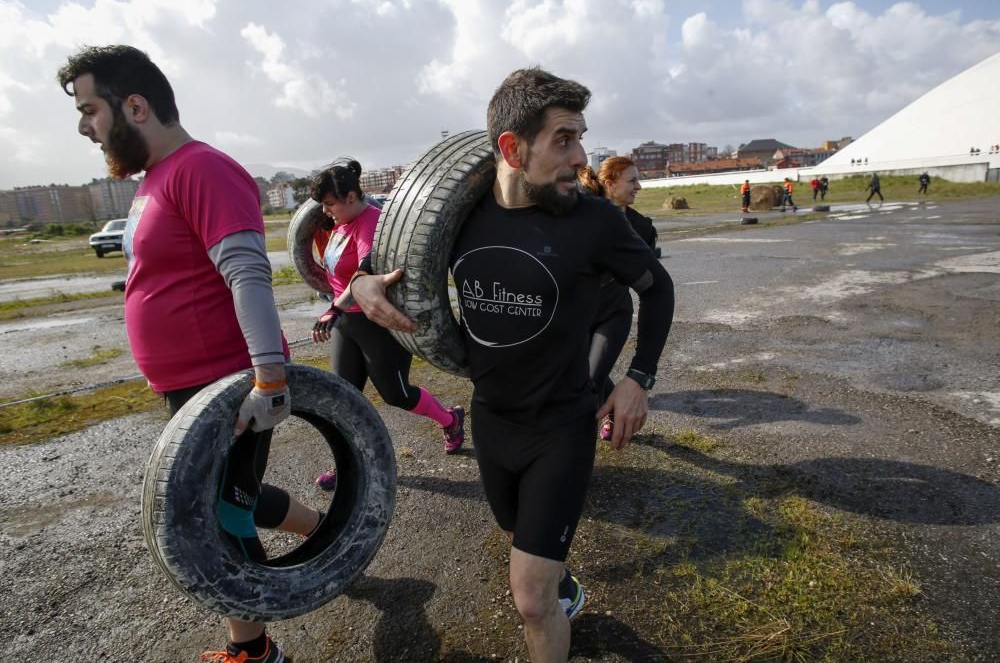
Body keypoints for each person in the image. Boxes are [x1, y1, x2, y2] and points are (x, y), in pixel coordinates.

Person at [348, 67, 674, 663]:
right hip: (493, 422)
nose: (580, 158)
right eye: (563, 140)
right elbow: (377, 267)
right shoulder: (458, 218)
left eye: (581, 138)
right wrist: (363, 286)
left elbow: (658, 290)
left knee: (528, 599)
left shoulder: (597, 222)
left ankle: (548, 598)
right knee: (519, 539)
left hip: (562, 425)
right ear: (510, 147)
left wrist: (638, 379)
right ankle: (556, 580)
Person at [58, 45, 319, 663]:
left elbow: (248, 274)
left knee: (217, 521)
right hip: (189, 390)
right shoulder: (154, 180)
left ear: (136, 105)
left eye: (90, 109)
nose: (83, 125)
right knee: (230, 497)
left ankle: (254, 652)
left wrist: (269, 378)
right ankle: (326, 532)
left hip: (226, 387)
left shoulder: (203, 168)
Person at [308, 159, 465, 491]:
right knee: (342, 397)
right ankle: (345, 463)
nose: (327, 211)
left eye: (330, 203)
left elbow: (365, 271)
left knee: (397, 394)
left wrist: (333, 310)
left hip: (376, 324)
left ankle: (450, 420)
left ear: (352, 196)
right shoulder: (339, 223)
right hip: (346, 324)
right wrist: (336, 310)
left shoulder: (372, 224)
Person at [577, 157, 658, 442]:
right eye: (632, 180)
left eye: (638, 179)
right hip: (577, 315)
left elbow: (652, 283)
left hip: (613, 315)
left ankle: (572, 451)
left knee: (589, 381)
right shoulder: (579, 213)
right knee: (578, 375)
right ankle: (610, 409)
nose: (639, 186)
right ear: (610, 183)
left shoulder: (643, 227)